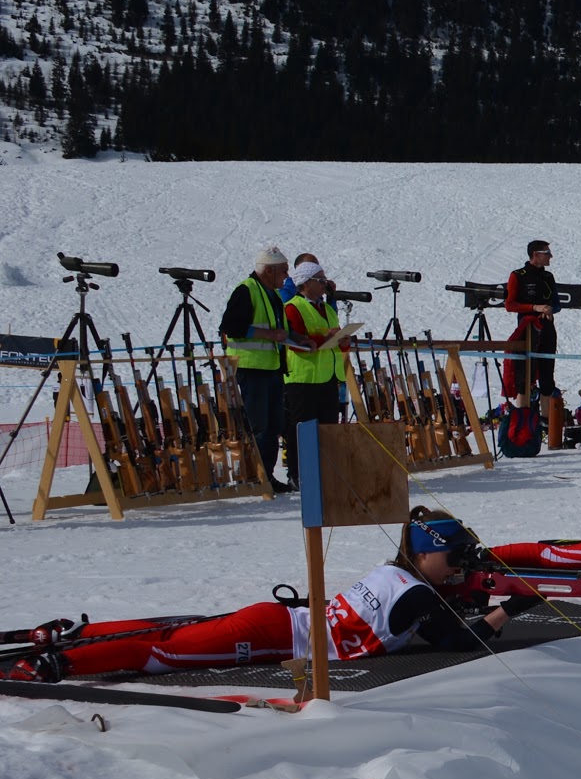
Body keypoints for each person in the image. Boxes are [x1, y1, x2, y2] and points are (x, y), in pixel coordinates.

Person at [6, 510, 536, 682]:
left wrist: (475, 596)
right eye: (454, 557)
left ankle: (67, 635)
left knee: (172, 633)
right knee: (163, 653)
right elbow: (461, 642)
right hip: (275, 635)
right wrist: (513, 606)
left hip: (277, 622)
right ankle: (59, 663)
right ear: (427, 554)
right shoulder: (419, 596)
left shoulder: (394, 572)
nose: (458, 568)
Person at [219, 244, 291, 490]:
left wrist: (296, 339)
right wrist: (269, 335)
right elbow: (231, 328)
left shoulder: (272, 294)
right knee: (258, 426)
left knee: (273, 425)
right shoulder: (246, 290)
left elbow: (278, 329)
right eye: (283, 271)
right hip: (251, 369)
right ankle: (256, 476)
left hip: (271, 368)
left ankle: (267, 476)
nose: (286, 277)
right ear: (269, 271)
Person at [280, 257, 351, 486]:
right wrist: (326, 337)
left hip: (328, 377)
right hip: (303, 379)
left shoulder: (327, 308)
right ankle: (298, 474)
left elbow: (335, 342)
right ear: (306, 283)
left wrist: (343, 341)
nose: (325, 284)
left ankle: (325, 473)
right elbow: (296, 341)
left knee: (327, 430)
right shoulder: (292, 307)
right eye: (320, 280)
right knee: (301, 430)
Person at [503, 240, 560, 411]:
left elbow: (557, 303)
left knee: (547, 377)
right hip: (527, 330)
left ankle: (546, 419)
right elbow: (510, 305)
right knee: (524, 377)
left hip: (547, 327)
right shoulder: (518, 275)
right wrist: (534, 308)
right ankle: (522, 418)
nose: (550, 256)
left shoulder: (548, 277)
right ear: (536, 254)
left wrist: (550, 309)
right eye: (547, 253)